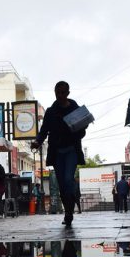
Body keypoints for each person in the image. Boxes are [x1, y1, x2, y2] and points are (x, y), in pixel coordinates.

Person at [31, 81, 87, 227]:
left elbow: (82, 132)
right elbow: (43, 131)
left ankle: (69, 209)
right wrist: (37, 141)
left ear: (68, 93)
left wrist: (82, 126)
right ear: (55, 93)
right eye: (58, 92)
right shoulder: (50, 112)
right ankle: (68, 212)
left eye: (63, 92)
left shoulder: (75, 109)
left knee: (68, 179)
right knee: (62, 184)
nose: (60, 95)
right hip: (56, 152)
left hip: (71, 150)